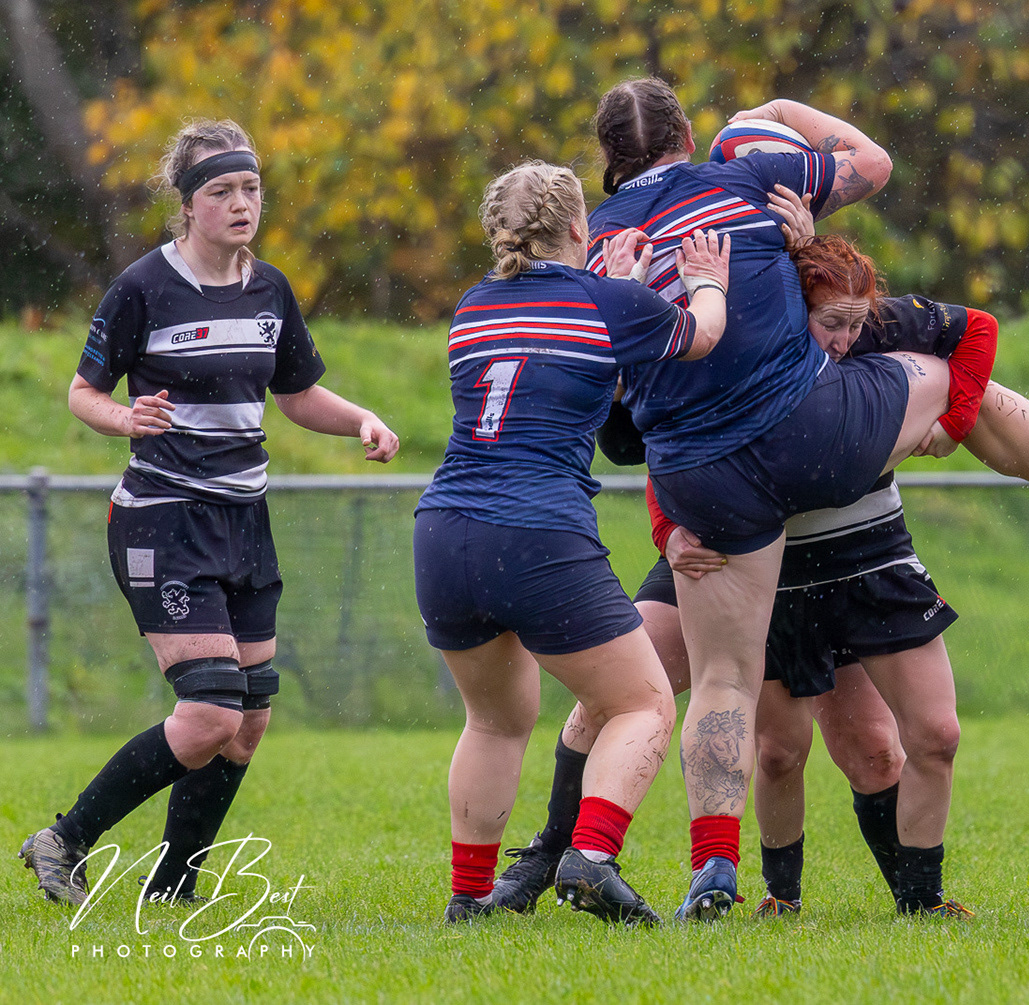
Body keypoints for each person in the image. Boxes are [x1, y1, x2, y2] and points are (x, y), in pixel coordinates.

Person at [583, 78, 1029, 921]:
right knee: (949, 375)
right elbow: (874, 161)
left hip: (703, 477)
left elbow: (616, 414)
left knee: (719, 683)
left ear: (609, 161)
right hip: (810, 438)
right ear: (687, 134)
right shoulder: (742, 175)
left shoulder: (597, 244)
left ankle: (711, 871)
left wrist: (667, 517)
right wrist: (781, 113)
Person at [19, 120, 400, 906]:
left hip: (244, 521)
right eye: (221, 190)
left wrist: (361, 417)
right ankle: (64, 837)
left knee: (248, 719)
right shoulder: (142, 288)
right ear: (187, 204)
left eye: (250, 188)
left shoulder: (271, 290)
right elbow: (83, 392)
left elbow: (296, 394)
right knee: (209, 712)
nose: (240, 203)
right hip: (163, 520)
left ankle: (172, 887)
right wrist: (125, 418)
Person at [412, 160, 730, 925]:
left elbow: (562, 370)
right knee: (642, 702)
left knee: (494, 720)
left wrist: (609, 287)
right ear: (580, 225)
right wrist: (706, 280)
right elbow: (702, 336)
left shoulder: (471, 306)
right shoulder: (607, 300)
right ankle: (590, 856)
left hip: (445, 529)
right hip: (536, 529)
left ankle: (469, 896)